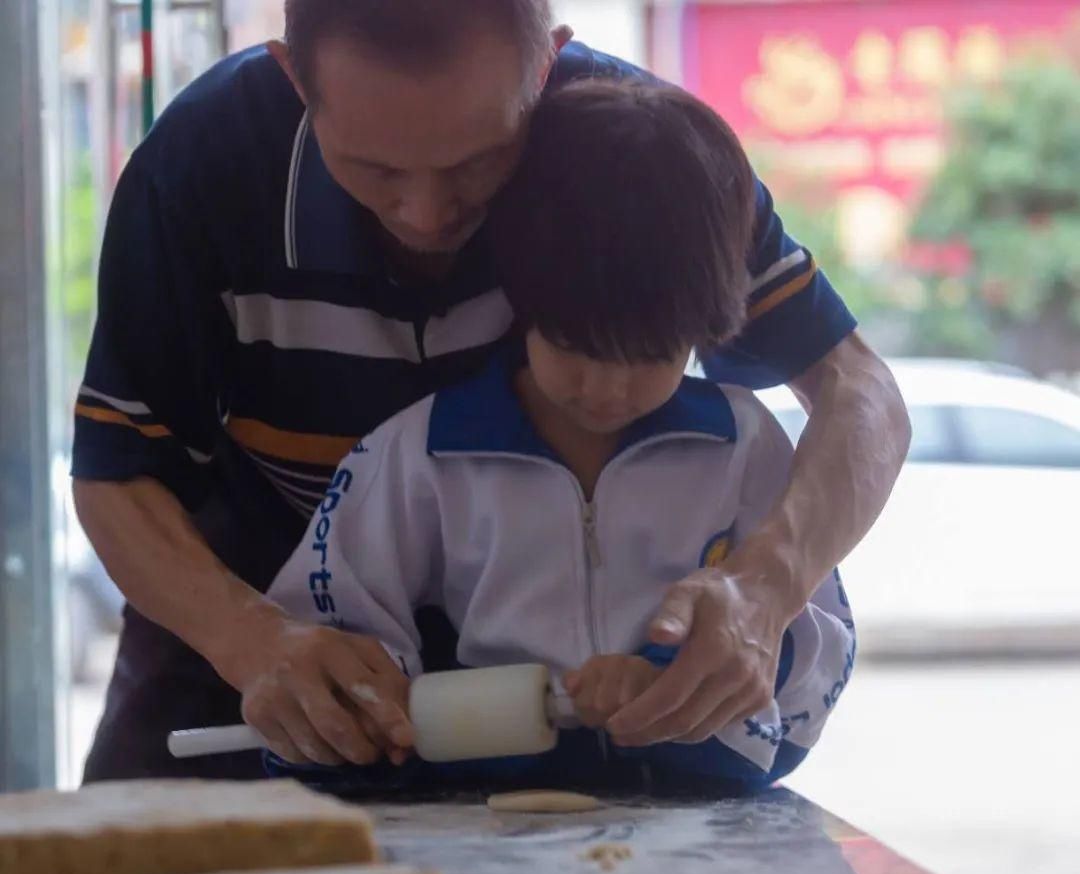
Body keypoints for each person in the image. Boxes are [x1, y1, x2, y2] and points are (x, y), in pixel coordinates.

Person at [71, 0, 906, 782]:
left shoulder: (639, 154)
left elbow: (859, 391)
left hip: (538, 673)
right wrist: (249, 638)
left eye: (478, 163)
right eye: (375, 167)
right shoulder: (201, 166)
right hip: (243, 605)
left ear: (547, 66)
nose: (427, 214)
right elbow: (117, 472)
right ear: (296, 79)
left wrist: (766, 589)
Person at [263, 80, 856, 797]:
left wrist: (680, 683)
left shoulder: (742, 446)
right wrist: (369, 705)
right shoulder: (426, 452)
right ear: (520, 298)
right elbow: (330, 622)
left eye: (651, 355)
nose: (607, 390)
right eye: (574, 346)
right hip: (477, 819)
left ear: (709, 331)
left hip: (699, 822)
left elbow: (820, 645)